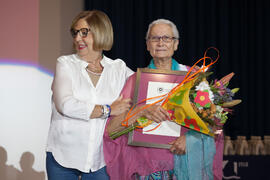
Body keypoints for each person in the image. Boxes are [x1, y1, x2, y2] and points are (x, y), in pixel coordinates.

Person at [103, 19, 224, 180]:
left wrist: (192, 140)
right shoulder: (135, 81)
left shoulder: (192, 77)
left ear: (176, 44)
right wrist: (141, 111)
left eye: (167, 38)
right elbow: (112, 130)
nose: (161, 43)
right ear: (147, 45)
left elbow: (214, 123)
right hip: (146, 169)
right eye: (154, 38)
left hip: (185, 166)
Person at [46, 10, 133, 180]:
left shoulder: (119, 68)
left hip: (100, 159)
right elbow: (65, 105)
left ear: (101, 32)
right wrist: (108, 110)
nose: (78, 38)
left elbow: (144, 84)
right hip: (63, 157)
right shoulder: (65, 64)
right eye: (75, 33)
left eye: (84, 32)